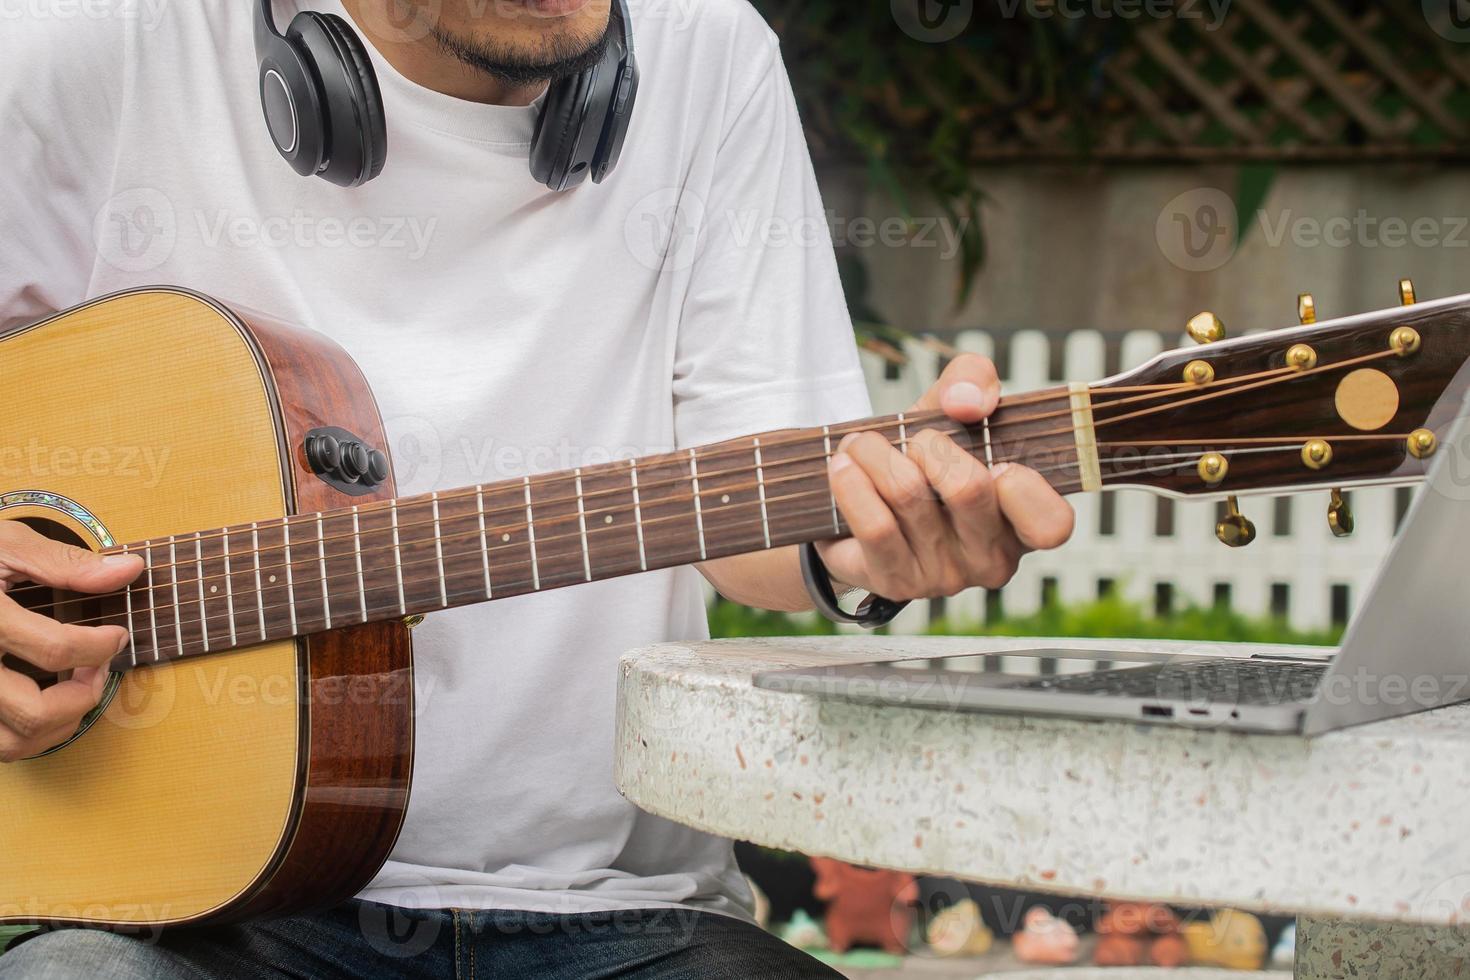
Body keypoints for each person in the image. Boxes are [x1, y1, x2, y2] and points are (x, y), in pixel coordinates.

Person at [0, 1, 1074, 975]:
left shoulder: (710, 52)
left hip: (625, 914)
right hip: (187, 918)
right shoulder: (88, 39)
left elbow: (756, 500)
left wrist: (867, 545)